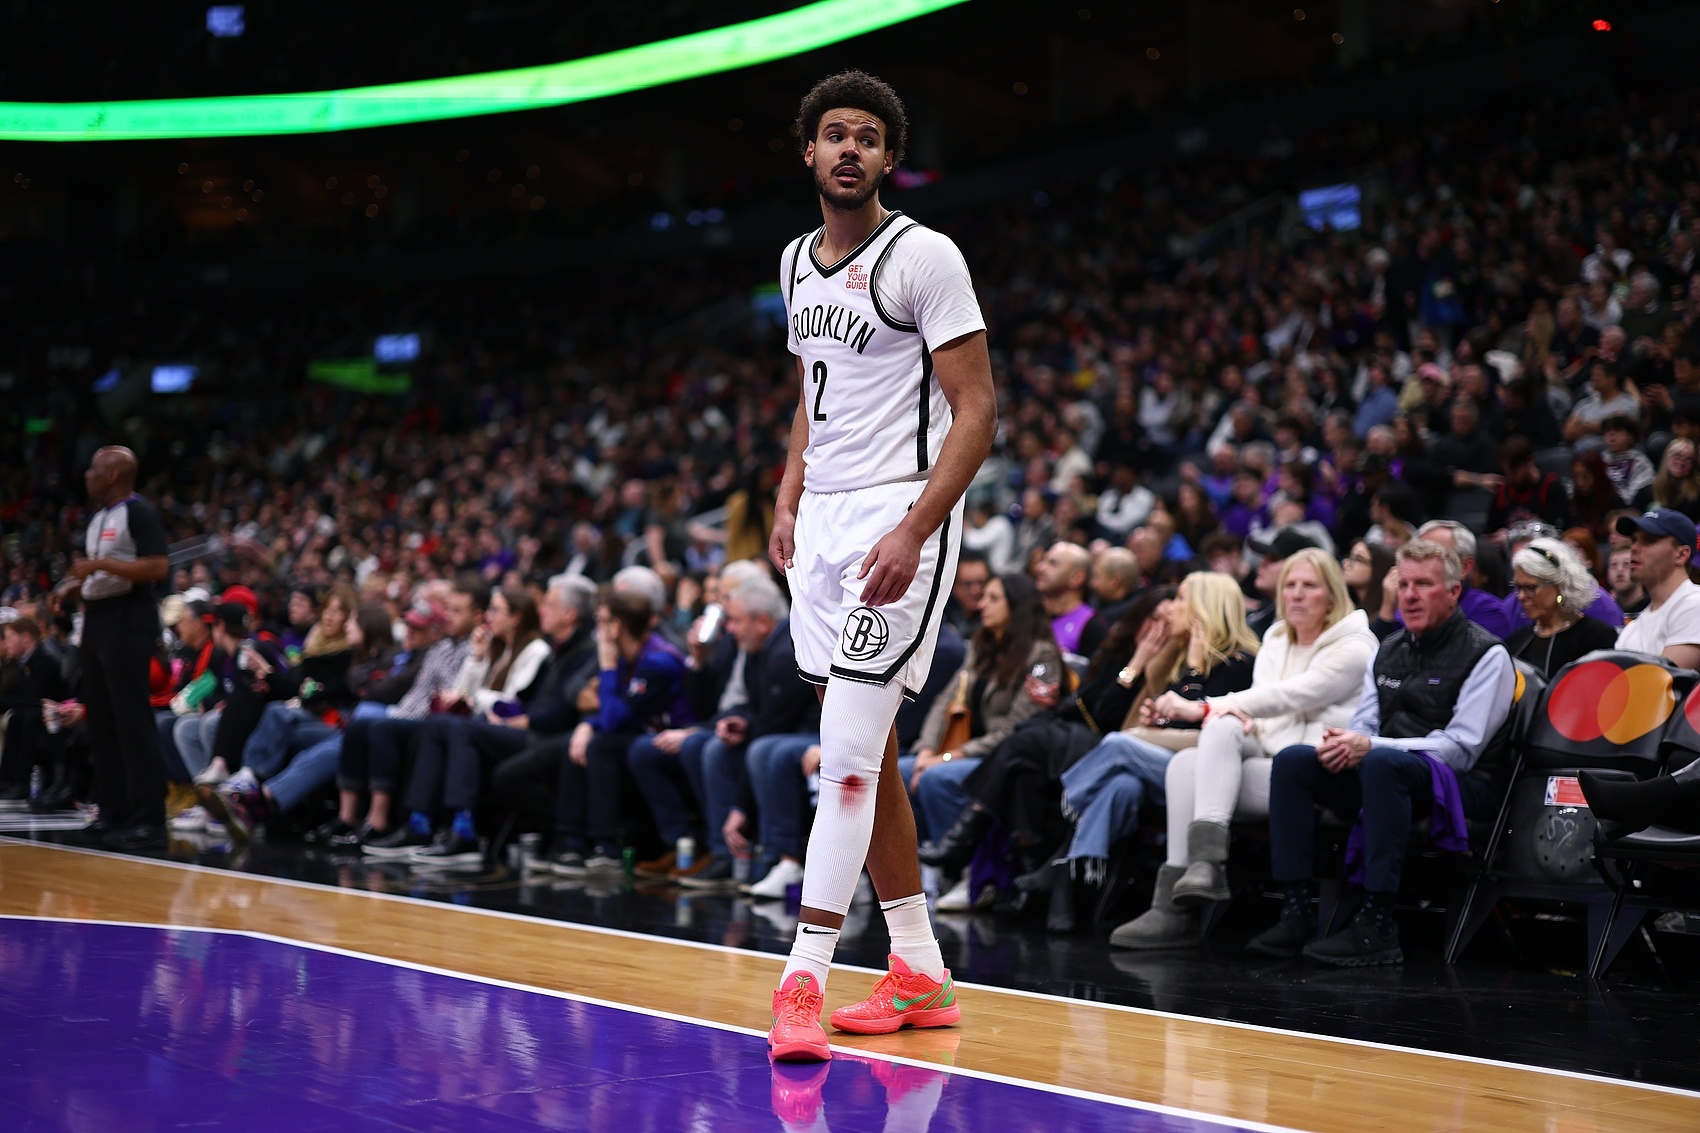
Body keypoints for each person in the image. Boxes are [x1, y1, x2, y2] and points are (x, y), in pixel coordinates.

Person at [766, 71, 995, 1061]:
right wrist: (787, 492)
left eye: (867, 136)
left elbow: (978, 410)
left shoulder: (923, 255)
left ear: (887, 158)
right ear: (809, 154)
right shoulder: (793, 262)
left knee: (848, 757)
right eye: (834, 134)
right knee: (871, 747)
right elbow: (811, 394)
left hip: (898, 514)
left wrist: (912, 528)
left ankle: (801, 979)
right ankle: (918, 968)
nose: (849, 148)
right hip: (820, 524)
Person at [1249, 539, 1514, 966]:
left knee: (1382, 762)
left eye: (1423, 584)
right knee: (1295, 760)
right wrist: (1345, 744)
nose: (1409, 595)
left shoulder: (1487, 654)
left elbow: (1461, 749)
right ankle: (1295, 910)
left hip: (1465, 786)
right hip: (1386, 773)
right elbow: (1366, 724)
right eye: (1403, 584)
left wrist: (1371, 746)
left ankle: (1377, 924)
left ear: (1453, 592)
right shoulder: (1388, 648)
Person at [1112, 550, 1378, 949]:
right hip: (1266, 756)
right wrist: (1235, 717)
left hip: (1311, 773)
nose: (1296, 595)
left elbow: (1289, 696)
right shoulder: (1275, 637)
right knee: (1187, 761)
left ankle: (1195, 882)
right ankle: (1180, 895)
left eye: (1309, 586)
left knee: (1213, 727)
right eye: (1290, 585)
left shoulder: (1356, 646)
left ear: (1332, 596)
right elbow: (1264, 710)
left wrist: (1205, 707)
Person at [1052, 573, 1257, 887]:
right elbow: (1122, 714)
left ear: (1204, 607)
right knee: (1122, 786)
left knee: (1118, 744)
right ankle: (1073, 878)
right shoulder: (1178, 657)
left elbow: (1206, 730)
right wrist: (1157, 720)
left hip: (1207, 776)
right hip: (1168, 767)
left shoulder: (1238, 663)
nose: (1172, 608)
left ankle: (1069, 800)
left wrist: (1194, 670)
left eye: (1181, 599)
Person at [906, 574, 1062, 884]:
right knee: (901, 771)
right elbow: (944, 701)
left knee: (937, 778)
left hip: (1000, 758)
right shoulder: (982, 646)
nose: (981, 605)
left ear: (1017, 606)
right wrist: (926, 749)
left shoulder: (1042, 655)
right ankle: (919, 868)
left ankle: (965, 874)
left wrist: (947, 757)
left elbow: (1018, 729)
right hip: (964, 751)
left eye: (993, 598)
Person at [51, 446, 170, 850]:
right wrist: (72, 587)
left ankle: (149, 818)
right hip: (98, 619)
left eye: (94, 469)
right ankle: (113, 810)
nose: (87, 475)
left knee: (131, 720)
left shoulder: (139, 512)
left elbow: (157, 566)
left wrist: (99, 566)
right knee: (101, 720)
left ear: (114, 474)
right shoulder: (99, 516)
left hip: (128, 618)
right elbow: (102, 574)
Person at [1503, 539, 1619, 679]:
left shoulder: (1596, 637)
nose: (1521, 596)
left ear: (1560, 585)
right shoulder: (1516, 641)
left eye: (1530, 587)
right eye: (1518, 587)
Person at [1613, 509, 1700, 669]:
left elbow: (1665, 679)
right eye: (1634, 540)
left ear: (1681, 555)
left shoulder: (1695, 605)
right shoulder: (1632, 629)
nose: (1634, 548)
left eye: (1648, 540)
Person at [1414, 521, 1514, 639]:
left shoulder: (1488, 612)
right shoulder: (1405, 602)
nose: (1423, 566)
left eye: (1436, 558)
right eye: (1417, 557)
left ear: (1465, 567)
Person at [1034, 542, 1107, 662]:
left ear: (1077, 578)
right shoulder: (1028, 612)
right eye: (1043, 560)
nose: (1040, 567)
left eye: (1052, 563)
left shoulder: (1091, 627)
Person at [1606, 545, 1648, 617]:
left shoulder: (1654, 609)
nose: (1619, 569)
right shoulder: (1606, 612)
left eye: (1627, 564)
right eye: (1614, 565)